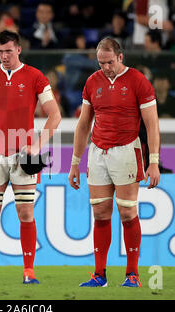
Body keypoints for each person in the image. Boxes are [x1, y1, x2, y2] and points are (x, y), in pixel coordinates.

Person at [0, 30, 62, 284]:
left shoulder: (35, 77)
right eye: (0, 51)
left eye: (9, 51)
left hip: (23, 156)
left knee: (25, 213)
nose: (5, 56)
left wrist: (37, 145)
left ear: (19, 49)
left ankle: (29, 271)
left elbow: (54, 115)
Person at [68, 38, 160, 287]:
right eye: (101, 63)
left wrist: (154, 161)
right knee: (99, 213)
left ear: (120, 57)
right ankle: (99, 275)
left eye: (109, 62)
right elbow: (84, 124)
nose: (105, 67)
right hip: (97, 152)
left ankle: (132, 274)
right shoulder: (92, 82)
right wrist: (75, 162)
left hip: (127, 151)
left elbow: (152, 124)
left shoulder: (138, 81)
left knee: (128, 212)